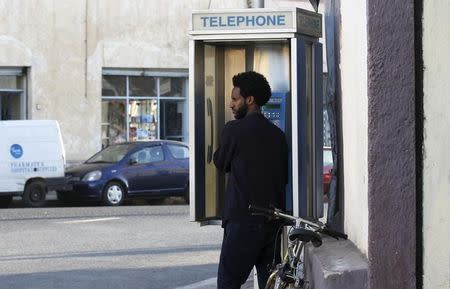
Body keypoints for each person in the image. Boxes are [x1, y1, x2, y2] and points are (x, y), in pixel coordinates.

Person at [213, 71, 288, 288]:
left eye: (235, 99)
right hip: (272, 224)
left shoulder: (233, 130)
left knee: (228, 283)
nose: (231, 104)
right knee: (269, 284)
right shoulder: (278, 136)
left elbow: (220, 163)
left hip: (241, 222)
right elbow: (282, 178)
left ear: (250, 100)